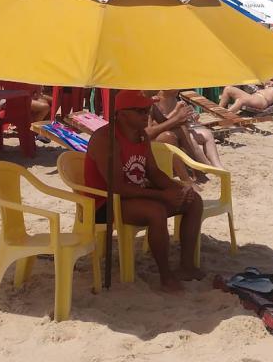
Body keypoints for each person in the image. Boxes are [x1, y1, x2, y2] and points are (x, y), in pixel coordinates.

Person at [84, 91, 205, 292]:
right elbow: (117, 187)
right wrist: (162, 194)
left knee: (193, 201)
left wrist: (177, 188)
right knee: (155, 211)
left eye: (147, 109)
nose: (145, 114)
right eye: (139, 111)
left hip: (133, 195)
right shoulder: (105, 138)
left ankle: (187, 266)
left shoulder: (141, 135)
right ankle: (166, 276)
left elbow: (154, 173)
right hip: (104, 203)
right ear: (121, 114)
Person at [149, 89, 225, 173]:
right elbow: (157, 125)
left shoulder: (173, 98)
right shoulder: (155, 100)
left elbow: (171, 121)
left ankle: (217, 165)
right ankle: (205, 166)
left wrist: (190, 118)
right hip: (165, 134)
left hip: (174, 129)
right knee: (188, 137)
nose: (178, 89)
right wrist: (177, 112)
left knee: (207, 134)